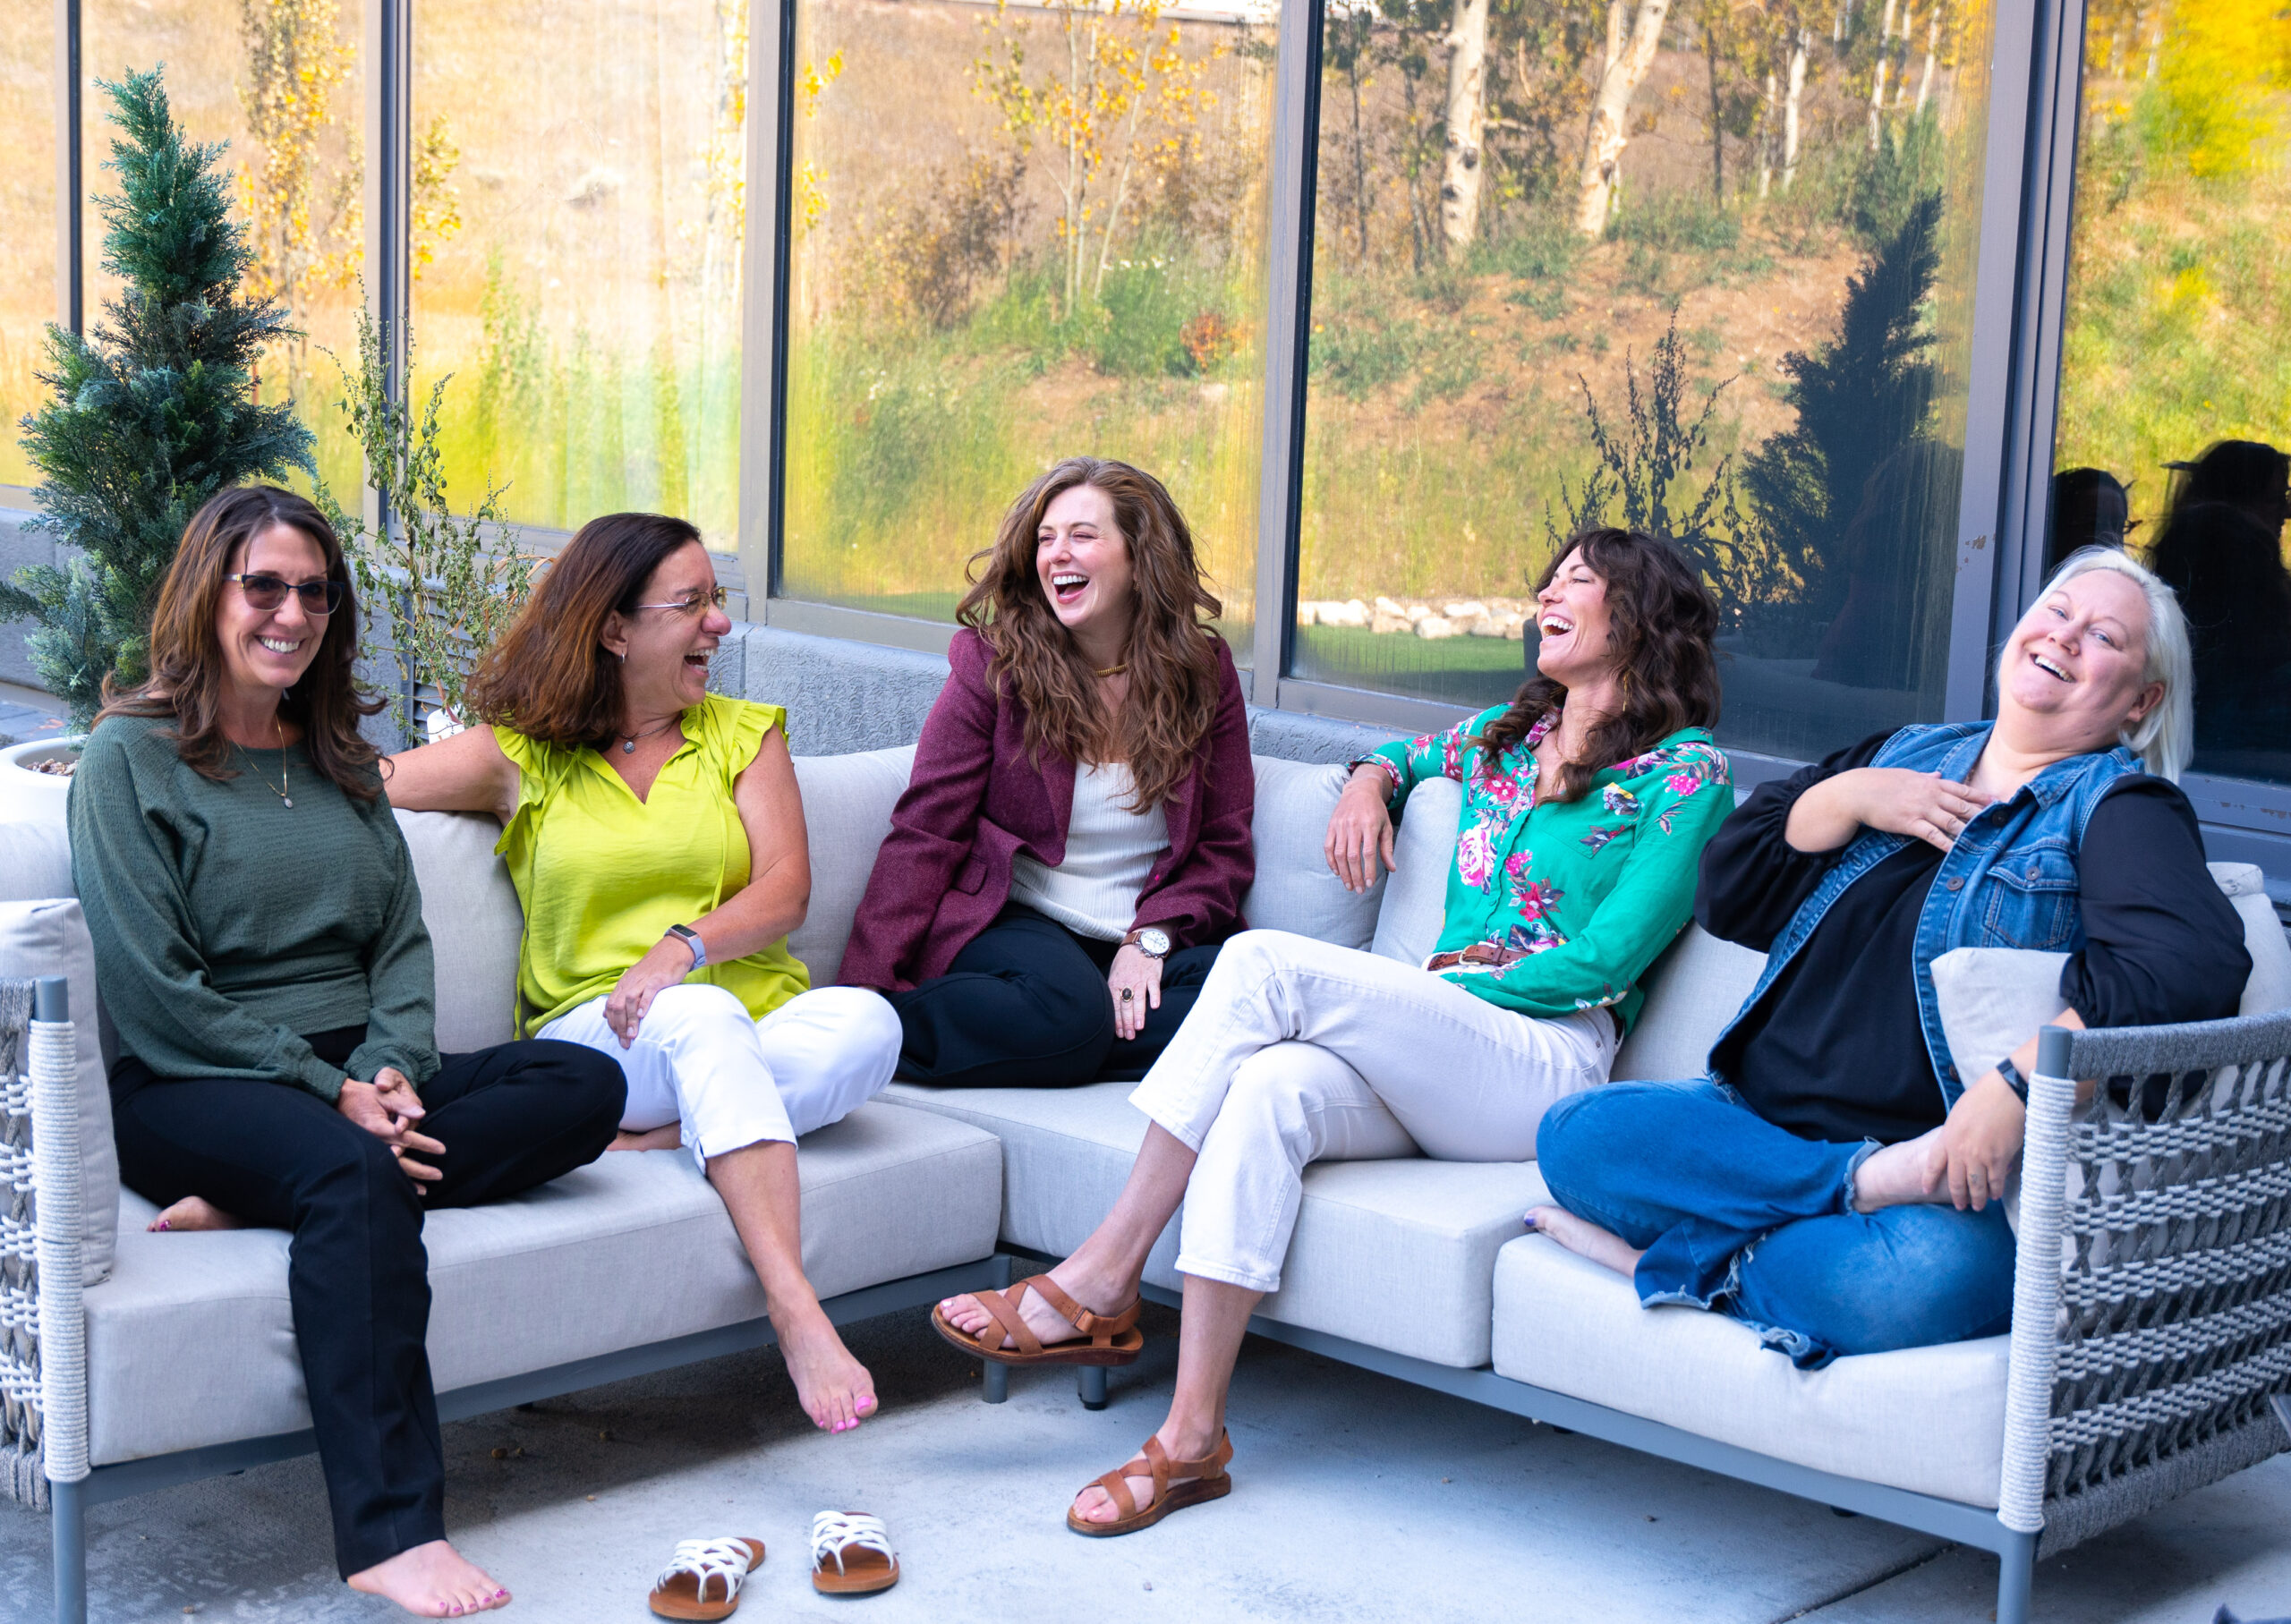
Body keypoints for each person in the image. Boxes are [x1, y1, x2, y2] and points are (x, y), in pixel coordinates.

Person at [933, 527, 1735, 1534]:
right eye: (1549, 577)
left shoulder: (1683, 776)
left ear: (1640, 616)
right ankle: (1191, 1441)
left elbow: (1607, 961)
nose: (1547, 594)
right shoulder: (1507, 737)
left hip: (1543, 1056)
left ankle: (1103, 1272)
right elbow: (1398, 757)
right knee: (1270, 1089)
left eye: (1579, 582)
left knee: (1262, 962)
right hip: (1442, 1059)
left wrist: (1443, 995)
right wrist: (1366, 784)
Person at [70, 485, 626, 1619]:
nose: (291, 613)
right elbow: (155, 993)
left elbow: (400, 949)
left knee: (583, 1081)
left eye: (314, 592)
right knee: (351, 1168)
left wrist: (386, 1072)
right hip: (195, 1079)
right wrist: (329, 1092)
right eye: (263, 586)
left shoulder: (337, 758)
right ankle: (391, 1533)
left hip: (346, 1079)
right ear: (205, 594)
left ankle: (289, 1194)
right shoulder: (128, 760)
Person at [1528, 548, 2252, 1369]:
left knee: (1913, 1282)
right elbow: (1730, 893)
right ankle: (1852, 1186)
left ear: (2141, 700)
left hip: (1944, 1176)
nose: (2067, 636)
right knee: (1576, 1133)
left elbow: (2181, 970)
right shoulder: (1907, 750)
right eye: (2057, 611)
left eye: (2105, 636)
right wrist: (1850, 796)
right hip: (1753, 1120)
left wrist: (2016, 1090)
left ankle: (1686, 1253)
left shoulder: (2119, 808)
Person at [382, 512, 902, 1435]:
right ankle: (795, 1307)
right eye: (692, 603)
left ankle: (652, 1144)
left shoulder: (744, 736)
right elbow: (371, 781)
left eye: (719, 600)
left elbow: (786, 890)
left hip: (748, 1019)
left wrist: (681, 947)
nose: (721, 624)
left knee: (870, 1025)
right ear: (615, 628)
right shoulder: (523, 757)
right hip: (602, 1044)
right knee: (699, 1022)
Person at [839, 456, 1253, 1088]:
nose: (1057, 553)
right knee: (1069, 1009)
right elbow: (928, 829)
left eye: (1083, 535)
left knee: (1253, 994)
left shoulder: (1202, 672)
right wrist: (857, 996)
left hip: (1140, 936)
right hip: (1019, 920)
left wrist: (1149, 942)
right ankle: (891, 1031)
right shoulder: (994, 666)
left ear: (1142, 557)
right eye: (1045, 538)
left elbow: (1223, 844)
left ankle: (1075, 1038)